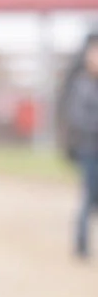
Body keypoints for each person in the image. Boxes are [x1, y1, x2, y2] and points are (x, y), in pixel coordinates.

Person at [65, 32, 98, 259]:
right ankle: (81, 243)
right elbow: (77, 117)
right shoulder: (81, 84)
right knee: (89, 195)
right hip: (89, 149)